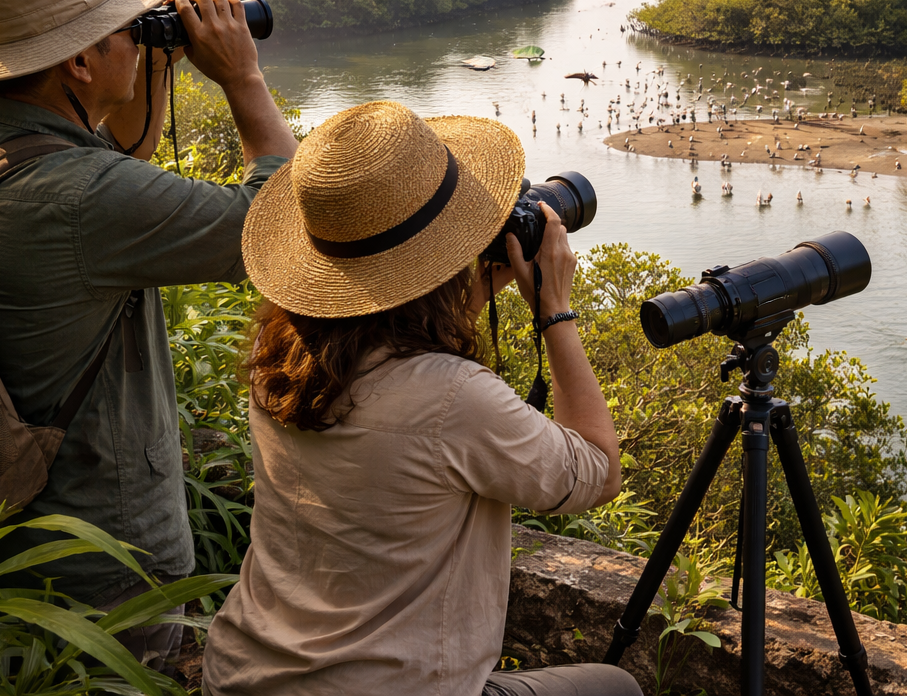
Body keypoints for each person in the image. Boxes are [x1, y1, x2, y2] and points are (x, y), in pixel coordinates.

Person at [0, 0, 298, 667]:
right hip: (101, 558)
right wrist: (242, 79)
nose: (137, 40)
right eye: (123, 32)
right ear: (78, 60)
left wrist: (151, 65)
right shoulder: (80, 200)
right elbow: (283, 227)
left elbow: (108, 154)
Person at [204, 101, 641, 696]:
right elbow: (596, 471)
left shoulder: (277, 349)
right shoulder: (450, 397)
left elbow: (382, 336)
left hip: (243, 673)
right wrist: (555, 312)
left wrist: (459, 286)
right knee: (614, 686)